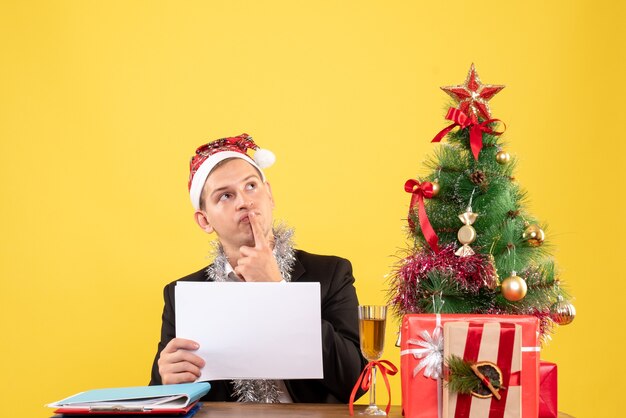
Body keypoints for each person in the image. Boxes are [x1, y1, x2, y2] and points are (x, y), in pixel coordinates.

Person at [149, 134, 367, 403]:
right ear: (204, 220)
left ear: (270, 195)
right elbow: (163, 396)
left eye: (251, 186)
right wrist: (167, 381)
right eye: (225, 196)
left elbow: (356, 382)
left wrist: (278, 291)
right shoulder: (182, 295)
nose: (244, 201)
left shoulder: (331, 273)